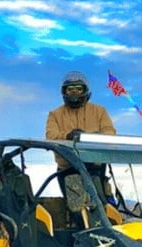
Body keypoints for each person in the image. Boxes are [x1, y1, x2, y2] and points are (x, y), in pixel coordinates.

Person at [45, 71, 116, 226]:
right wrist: (69, 135)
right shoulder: (55, 114)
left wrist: (90, 136)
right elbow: (51, 136)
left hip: (95, 169)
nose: (74, 92)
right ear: (64, 92)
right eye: (70, 89)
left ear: (85, 90)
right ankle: (82, 240)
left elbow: (110, 133)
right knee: (78, 212)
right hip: (68, 169)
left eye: (78, 88)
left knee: (104, 207)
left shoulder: (99, 111)